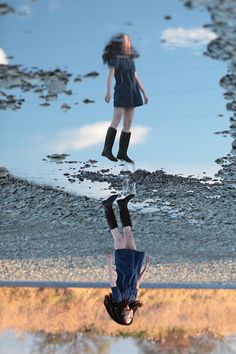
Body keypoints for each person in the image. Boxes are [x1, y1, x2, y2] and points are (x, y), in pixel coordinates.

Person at [102, 194, 151, 325]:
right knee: (128, 233)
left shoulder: (118, 299)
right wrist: (145, 268)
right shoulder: (132, 300)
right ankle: (123, 205)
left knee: (117, 236)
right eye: (131, 318)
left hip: (123, 264)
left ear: (121, 315)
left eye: (127, 318)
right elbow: (137, 283)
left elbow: (112, 281)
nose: (130, 316)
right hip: (135, 264)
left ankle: (107, 206)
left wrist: (109, 261)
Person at [101, 33, 148, 163]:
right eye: (125, 41)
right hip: (121, 91)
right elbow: (111, 74)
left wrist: (144, 92)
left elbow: (136, 76)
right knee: (116, 120)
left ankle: (122, 153)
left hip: (133, 92)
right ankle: (107, 150)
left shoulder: (131, 59)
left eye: (128, 41)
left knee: (128, 123)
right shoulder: (116, 58)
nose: (127, 43)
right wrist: (108, 91)